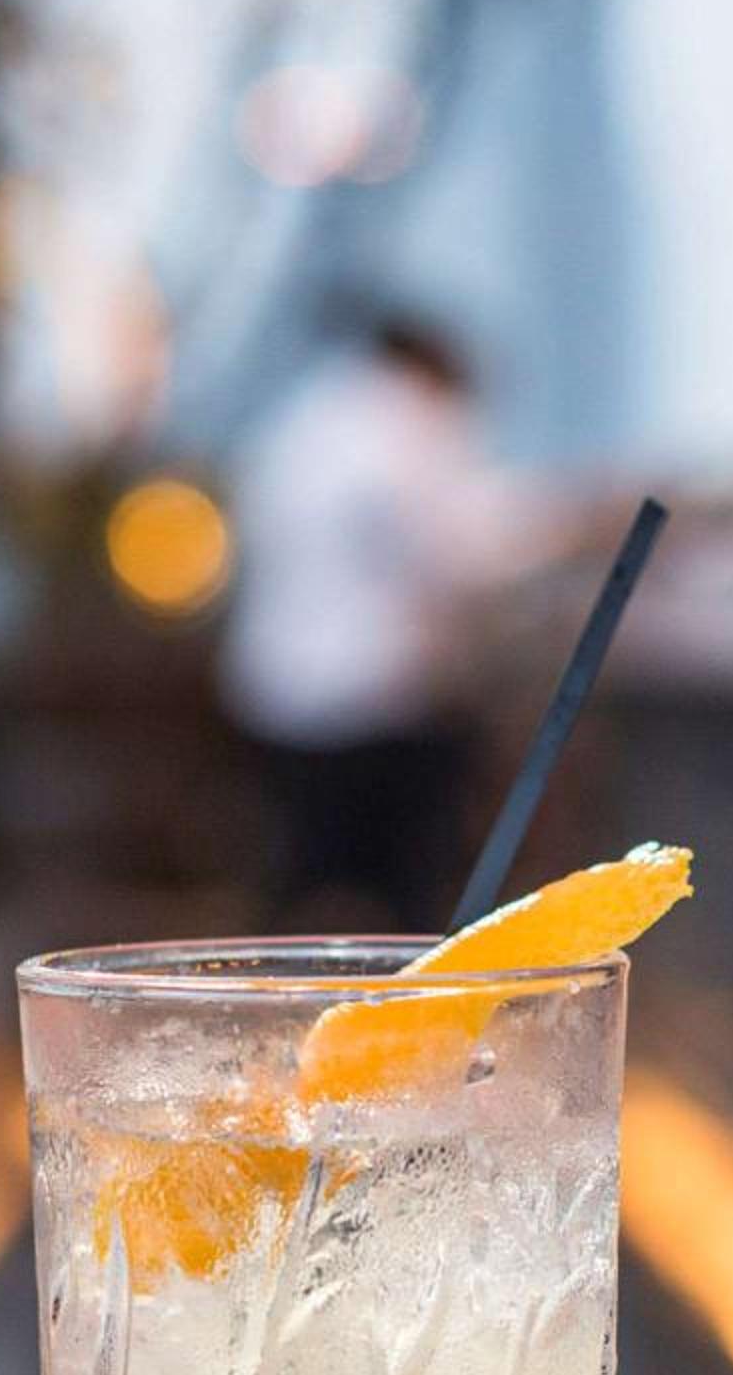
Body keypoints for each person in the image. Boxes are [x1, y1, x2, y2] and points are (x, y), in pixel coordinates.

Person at [217, 313, 561, 932]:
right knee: (410, 893)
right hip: (381, 700)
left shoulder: (304, 423)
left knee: (300, 879)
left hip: (282, 695)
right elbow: (461, 552)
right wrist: (576, 526)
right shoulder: (400, 426)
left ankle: (287, 984)